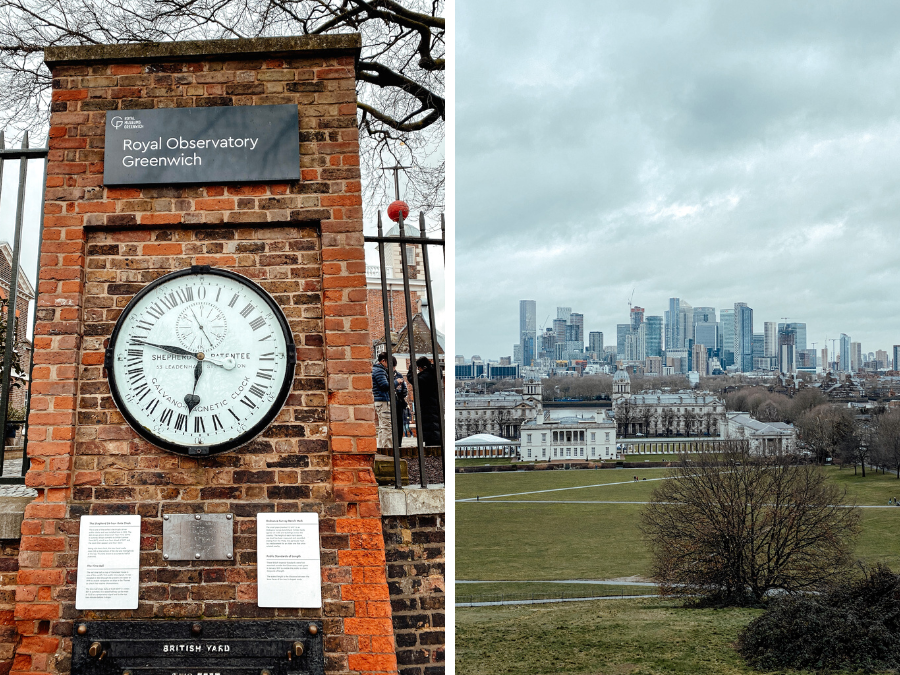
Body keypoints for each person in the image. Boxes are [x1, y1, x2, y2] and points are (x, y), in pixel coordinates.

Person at [408, 356, 442, 447]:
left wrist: (410, 371)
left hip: (427, 406)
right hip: (434, 405)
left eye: (419, 368)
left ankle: (432, 445)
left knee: (430, 429)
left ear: (423, 367)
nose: (418, 370)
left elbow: (414, 380)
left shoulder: (426, 376)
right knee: (435, 427)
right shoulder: (435, 373)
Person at [372, 352, 397, 452]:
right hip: (383, 401)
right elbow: (385, 386)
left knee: (383, 427)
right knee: (387, 427)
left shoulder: (377, 370)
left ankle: (382, 448)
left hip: (379, 401)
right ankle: (387, 450)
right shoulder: (380, 371)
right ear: (383, 361)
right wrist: (396, 382)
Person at [393, 370, 408, 442]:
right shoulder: (384, 373)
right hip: (389, 401)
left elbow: (404, 389)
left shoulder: (399, 375)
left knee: (399, 423)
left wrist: (401, 396)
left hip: (399, 401)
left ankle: (399, 443)